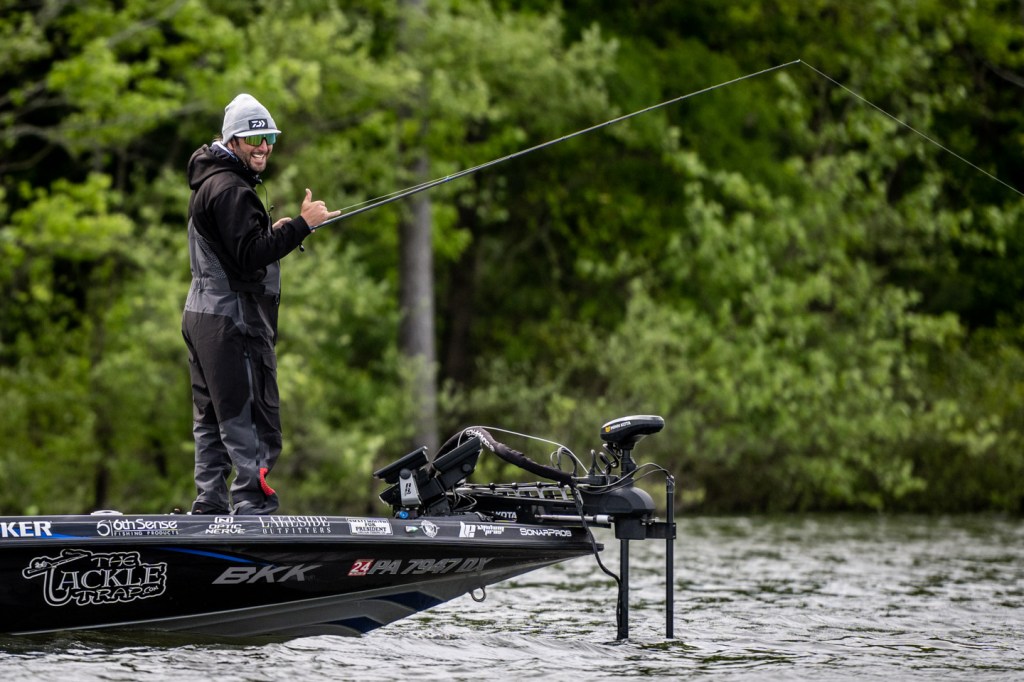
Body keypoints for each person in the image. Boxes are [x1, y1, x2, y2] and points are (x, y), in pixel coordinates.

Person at [182, 93, 340, 515]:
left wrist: (278, 232)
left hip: (203, 316)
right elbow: (251, 256)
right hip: (233, 321)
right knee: (251, 417)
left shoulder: (212, 182)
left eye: (270, 138)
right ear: (232, 141)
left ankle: (210, 505)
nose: (264, 147)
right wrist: (303, 225)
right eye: (255, 139)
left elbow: (239, 246)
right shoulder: (231, 188)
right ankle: (254, 508)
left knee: (212, 419)